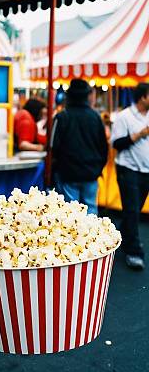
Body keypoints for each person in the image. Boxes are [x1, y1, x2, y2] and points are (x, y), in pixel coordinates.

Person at [51, 79, 108, 215]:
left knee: (70, 215)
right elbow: (104, 147)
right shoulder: (96, 117)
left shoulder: (62, 117)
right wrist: (97, 168)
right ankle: (93, 236)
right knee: (91, 212)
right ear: (88, 96)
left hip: (68, 173)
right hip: (90, 173)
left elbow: (53, 146)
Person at [110, 82, 149, 270]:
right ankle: (135, 252)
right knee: (132, 211)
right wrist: (140, 134)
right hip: (128, 170)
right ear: (143, 97)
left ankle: (119, 237)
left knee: (134, 210)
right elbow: (117, 143)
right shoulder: (124, 117)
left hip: (146, 171)